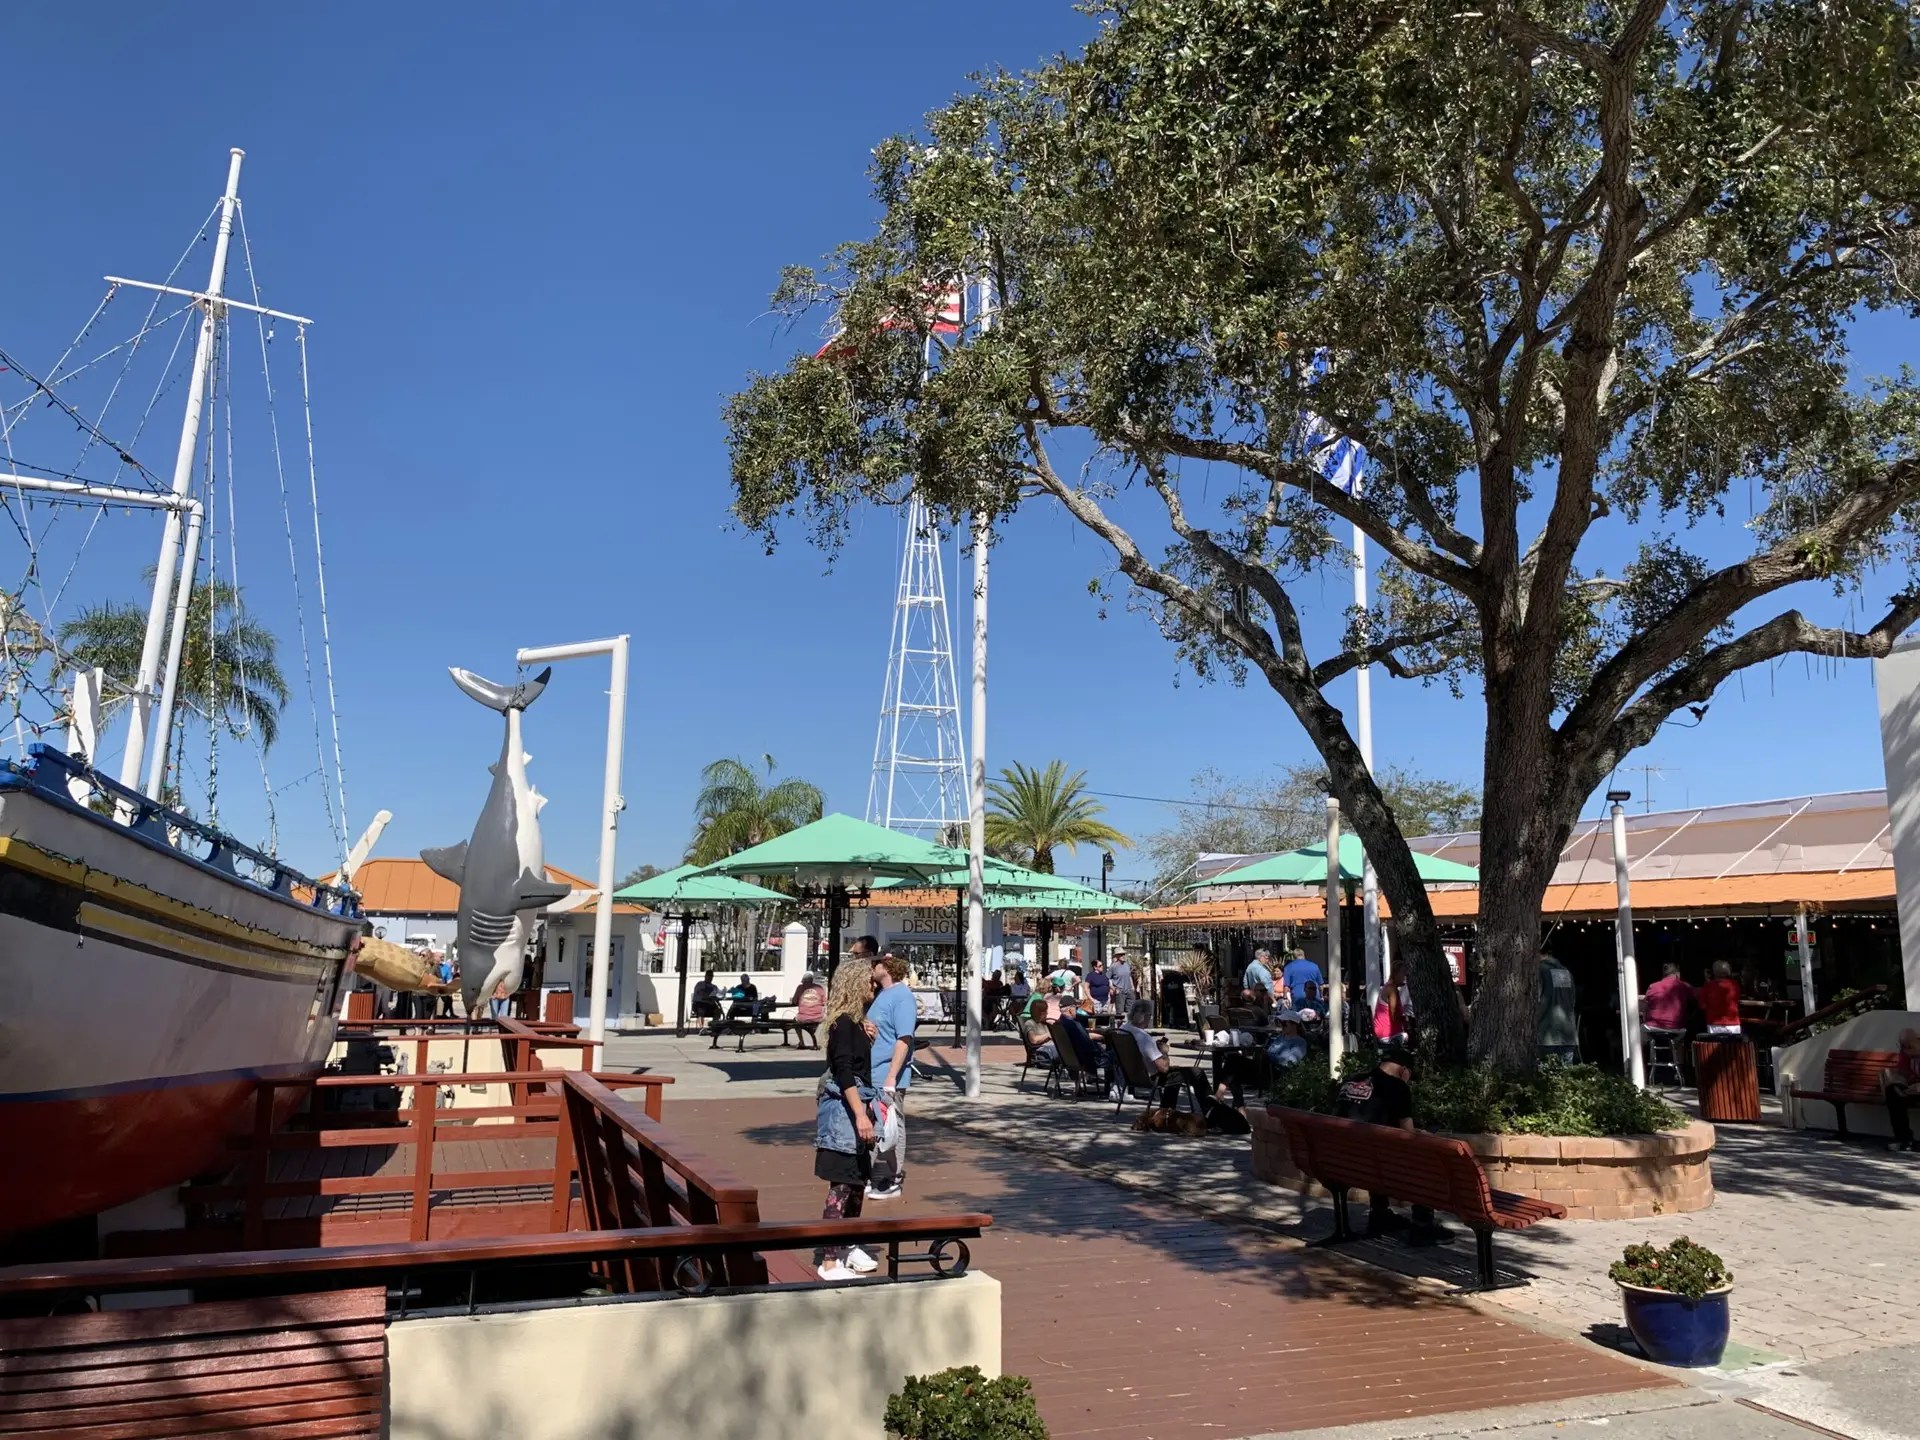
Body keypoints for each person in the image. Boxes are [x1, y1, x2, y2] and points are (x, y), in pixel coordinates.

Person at [1334, 1045, 1450, 1243]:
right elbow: (1408, 1136)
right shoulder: (1398, 1087)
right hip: (1380, 1163)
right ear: (1404, 1071)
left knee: (1375, 1151)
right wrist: (1423, 1134)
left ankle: (1379, 1214)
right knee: (1427, 1156)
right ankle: (1422, 1224)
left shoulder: (1351, 1080)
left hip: (1343, 1161)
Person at [813, 961, 882, 1280]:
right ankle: (828, 1260)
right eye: (869, 982)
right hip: (844, 1110)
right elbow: (844, 1072)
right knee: (841, 1182)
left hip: (858, 1106)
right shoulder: (841, 1023)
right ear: (855, 985)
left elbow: (857, 1066)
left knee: (856, 1180)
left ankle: (846, 1246)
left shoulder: (856, 1024)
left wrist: (868, 1035)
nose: (875, 986)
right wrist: (859, 1115)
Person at [865, 951, 917, 1200]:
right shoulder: (881, 995)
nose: (871, 968)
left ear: (885, 966)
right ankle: (866, 1173)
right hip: (872, 1071)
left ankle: (894, 1178)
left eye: (874, 964)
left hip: (888, 1074)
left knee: (892, 1124)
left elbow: (904, 1038)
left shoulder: (902, 996)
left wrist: (892, 1077)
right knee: (875, 1124)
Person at [1882, 1029, 1920, 1153]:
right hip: (1914, 1088)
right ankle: (1904, 1139)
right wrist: (1897, 1081)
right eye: (1902, 1046)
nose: (1905, 1050)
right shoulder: (1905, 1053)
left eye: (1908, 1046)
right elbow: (1902, 1072)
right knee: (1893, 1092)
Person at [1539, 952, 1579, 1061]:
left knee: (1545, 1073)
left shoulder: (1540, 971)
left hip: (1546, 1033)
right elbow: (1573, 1000)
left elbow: (1535, 1000)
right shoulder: (1566, 972)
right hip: (1568, 1033)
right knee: (1566, 1074)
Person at [1695, 960, 1743, 1034]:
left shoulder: (1708, 986)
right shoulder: (1735, 985)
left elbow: (1702, 1006)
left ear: (1714, 972)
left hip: (1714, 1024)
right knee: (1733, 1045)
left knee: (1714, 1044)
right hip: (1733, 1024)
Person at [791, 972, 826, 1049]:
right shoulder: (819, 988)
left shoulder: (800, 988)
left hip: (803, 1018)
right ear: (812, 980)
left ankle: (802, 1042)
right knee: (823, 1019)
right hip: (818, 1017)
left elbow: (794, 1001)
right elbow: (824, 1002)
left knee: (794, 1021)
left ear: (803, 980)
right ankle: (815, 1038)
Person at [1110, 948, 1137, 1017]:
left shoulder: (1127, 965)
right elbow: (1108, 978)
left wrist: (1133, 987)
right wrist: (1113, 988)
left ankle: (1128, 1026)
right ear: (1117, 956)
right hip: (1120, 991)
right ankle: (1119, 1026)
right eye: (1121, 955)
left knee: (1130, 1011)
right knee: (1120, 1012)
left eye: (1124, 954)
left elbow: (1129, 976)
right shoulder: (1113, 966)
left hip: (1129, 990)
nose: (1123, 956)